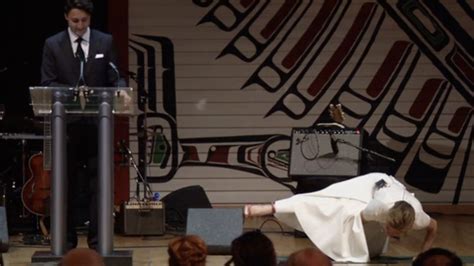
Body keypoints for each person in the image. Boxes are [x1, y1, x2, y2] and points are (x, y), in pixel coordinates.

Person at [40, 0, 125, 250]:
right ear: (66, 17)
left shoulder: (104, 42)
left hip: (98, 125)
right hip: (65, 125)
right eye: (75, 21)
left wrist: (120, 90)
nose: (79, 26)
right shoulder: (53, 44)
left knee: (99, 185)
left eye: (84, 21)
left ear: (90, 19)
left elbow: (115, 76)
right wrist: (72, 92)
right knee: (65, 184)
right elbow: (47, 83)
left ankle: (99, 243)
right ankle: (64, 243)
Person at [244, 172, 438, 262]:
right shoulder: (377, 209)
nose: (391, 234)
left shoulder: (419, 219)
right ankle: (269, 207)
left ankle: (371, 250)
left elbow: (434, 227)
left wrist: (423, 254)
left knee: (373, 247)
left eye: (395, 234)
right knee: (326, 203)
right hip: (370, 186)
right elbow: (351, 224)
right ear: (387, 219)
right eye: (390, 230)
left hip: (391, 191)